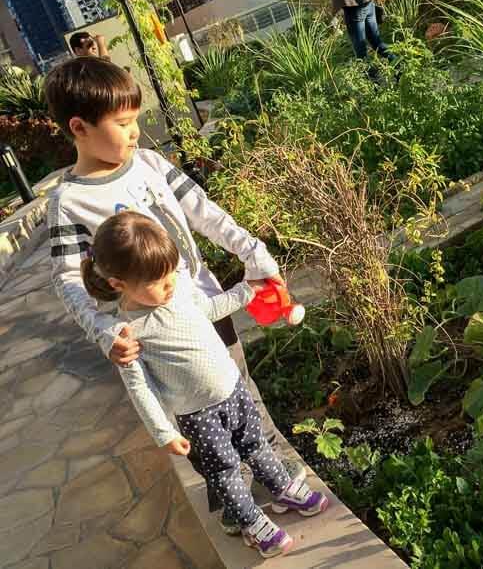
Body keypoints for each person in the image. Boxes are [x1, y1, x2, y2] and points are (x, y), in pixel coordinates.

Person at [44, 56, 305, 535]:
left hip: (202, 304)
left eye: (135, 120)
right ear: (79, 127)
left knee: (238, 392)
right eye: (123, 124)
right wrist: (104, 332)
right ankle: (235, 506)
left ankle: (271, 480)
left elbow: (207, 213)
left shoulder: (149, 164)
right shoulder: (69, 202)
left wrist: (255, 255)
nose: (135, 133)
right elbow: (66, 279)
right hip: (154, 338)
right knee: (203, 423)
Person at [81, 211, 328, 558]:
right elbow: (140, 388)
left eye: (170, 275)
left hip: (233, 389)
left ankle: (280, 487)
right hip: (199, 416)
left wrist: (246, 292)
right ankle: (250, 521)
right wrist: (163, 432)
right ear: (120, 284)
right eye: (159, 281)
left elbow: (209, 308)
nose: (170, 286)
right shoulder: (127, 333)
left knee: (256, 443)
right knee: (226, 470)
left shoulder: (177, 291)